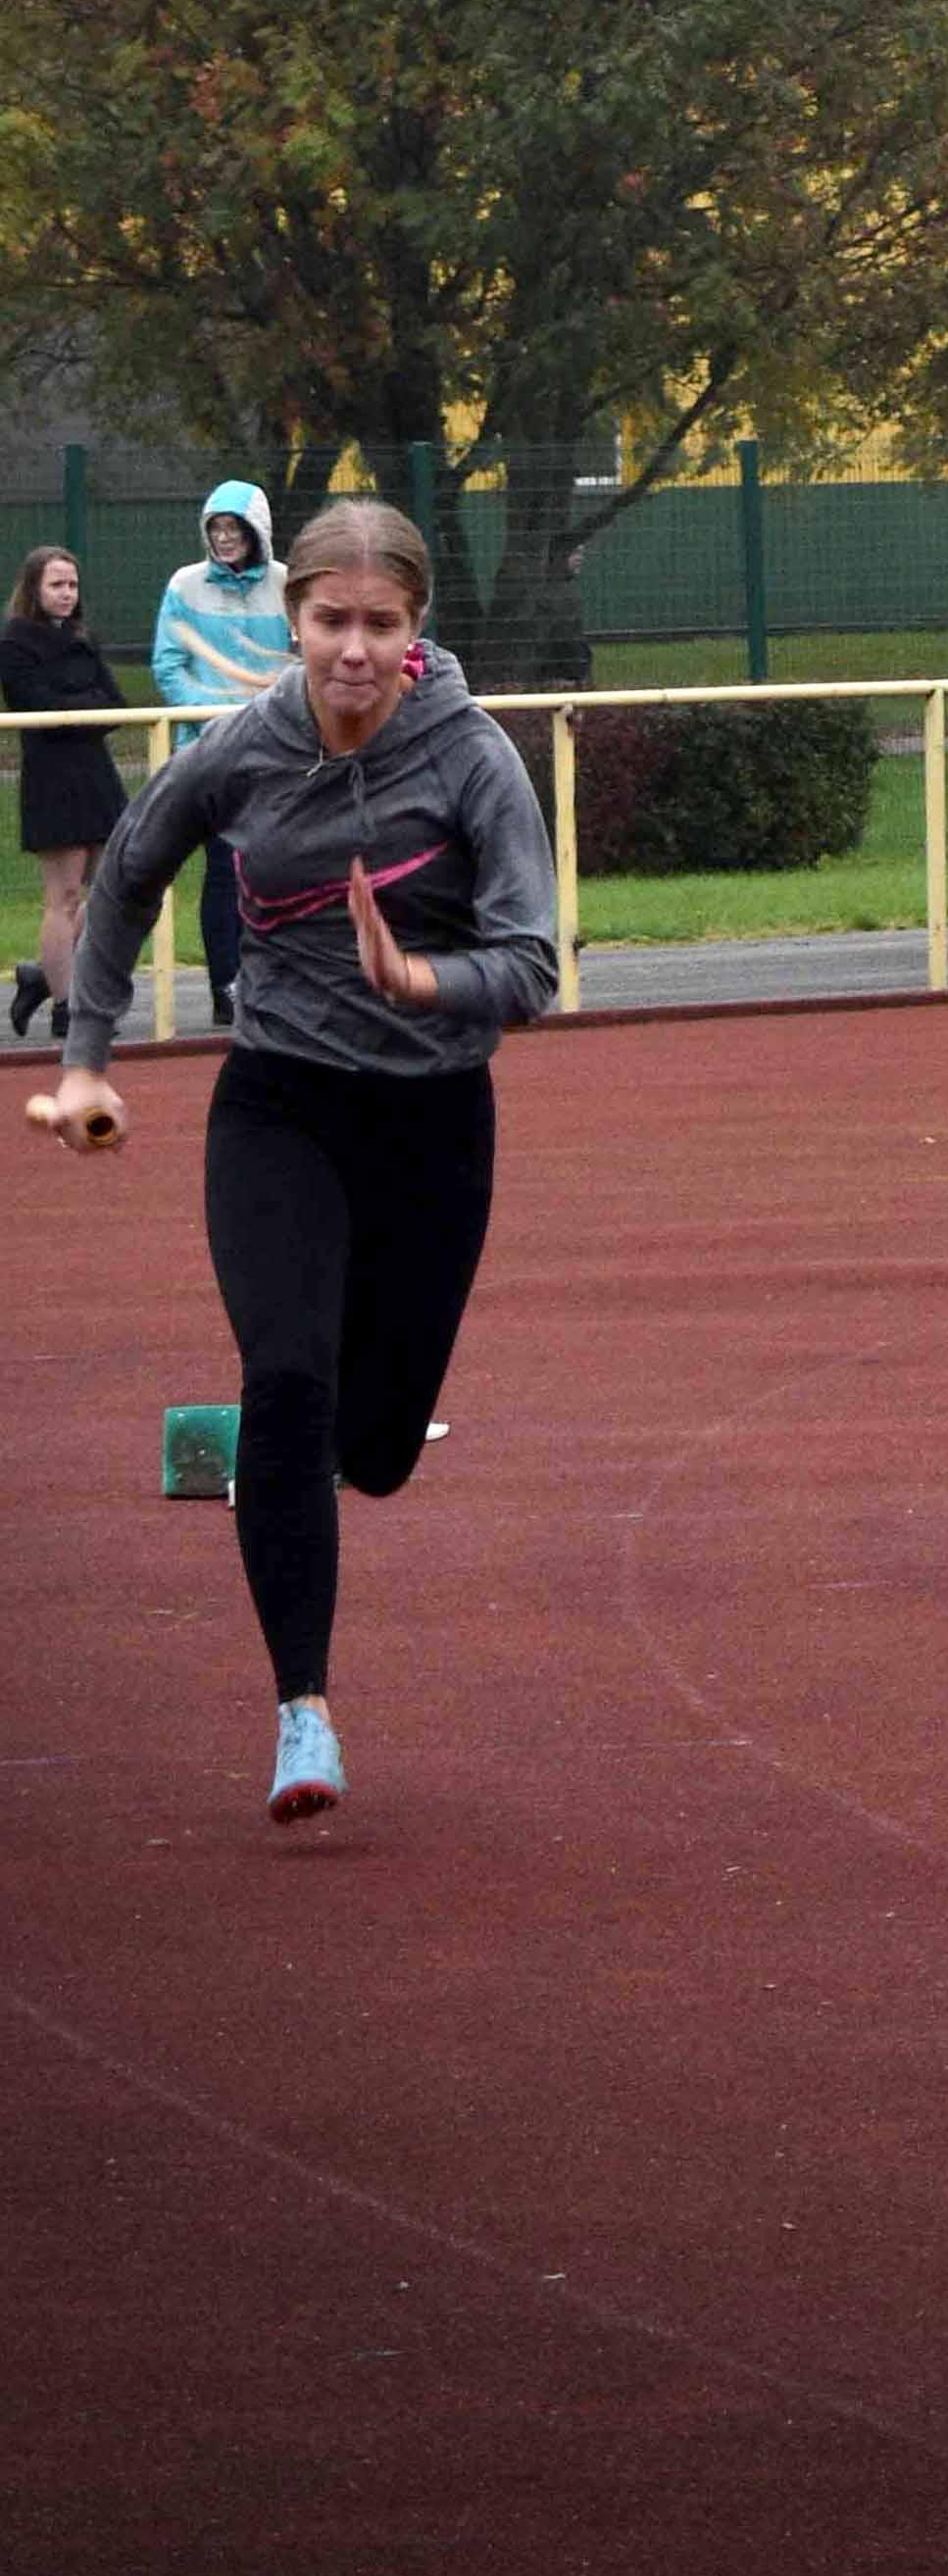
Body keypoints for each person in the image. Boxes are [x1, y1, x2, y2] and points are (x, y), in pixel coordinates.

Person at [29, 498, 556, 1824]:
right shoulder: (245, 746)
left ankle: (292, 1448)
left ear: (415, 628)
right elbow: (128, 875)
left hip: (433, 1122)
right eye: (331, 621)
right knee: (286, 1377)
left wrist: (421, 977)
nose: (354, 650)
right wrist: (86, 1055)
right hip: (279, 1106)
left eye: (380, 623)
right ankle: (302, 1713)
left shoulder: (474, 759)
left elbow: (532, 966)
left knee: (375, 1448)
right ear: (294, 617)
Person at [150, 476, 292, 1024]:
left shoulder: (285, 584)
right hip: (210, 752)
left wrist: (274, 717)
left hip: (275, 750)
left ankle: (273, 979)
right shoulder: (185, 586)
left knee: (278, 868)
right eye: (217, 528)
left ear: (257, 531)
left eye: (234, 528)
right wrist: (215, 718)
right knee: (223, 869)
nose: (225, 538)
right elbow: (167, 666)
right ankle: (224, 985)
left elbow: (301, 660)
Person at [4, 545, 130, 1041]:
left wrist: (78, 710)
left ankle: (41, 974)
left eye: (72, 585)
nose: (67, 594)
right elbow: (38, 706)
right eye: (57, 585)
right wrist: (83, 708)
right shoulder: (15, 642)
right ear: (34, 588)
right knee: (64, 894)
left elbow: (115, 704)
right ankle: (66, 1005)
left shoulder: (83, 638)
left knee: (113, 886)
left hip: (96, 774)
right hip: (52, 780)